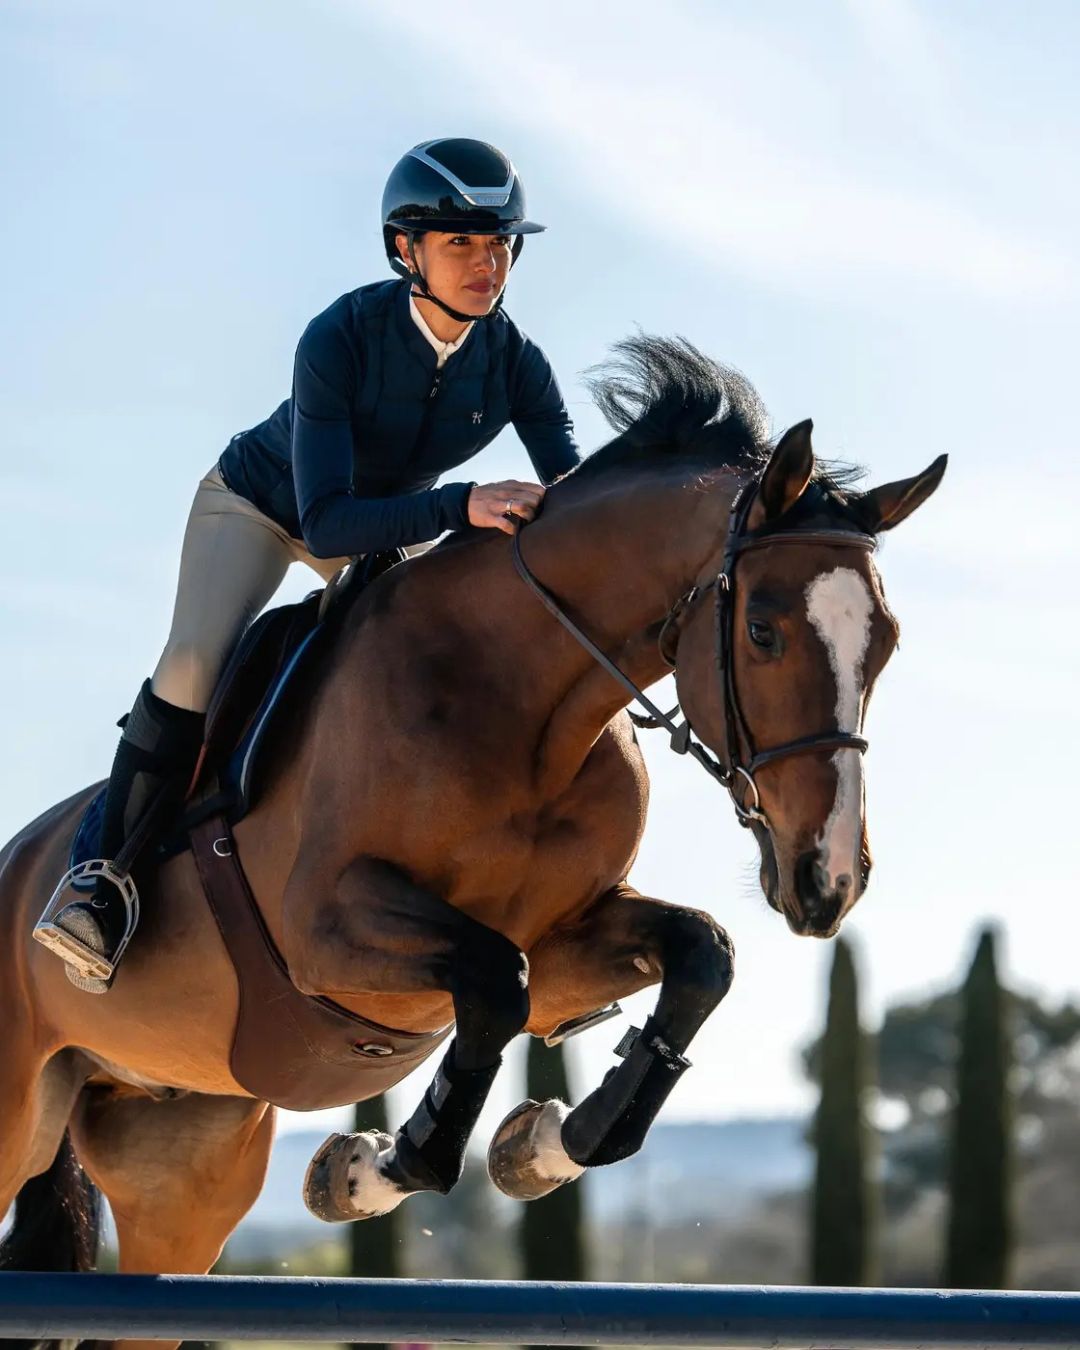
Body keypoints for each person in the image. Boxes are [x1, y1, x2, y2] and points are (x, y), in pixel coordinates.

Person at [37, 136, 580, 987]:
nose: (489, 264)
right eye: (462, 243)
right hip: (261, 505)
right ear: (406, 251)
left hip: (386, 529)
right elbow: (325, 527)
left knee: (431, 679)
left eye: (502, 243)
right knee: (192, 663)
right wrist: (462, 504)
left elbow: (574, 497)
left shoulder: (517, 366)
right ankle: (98, 882)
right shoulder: (339, 336)